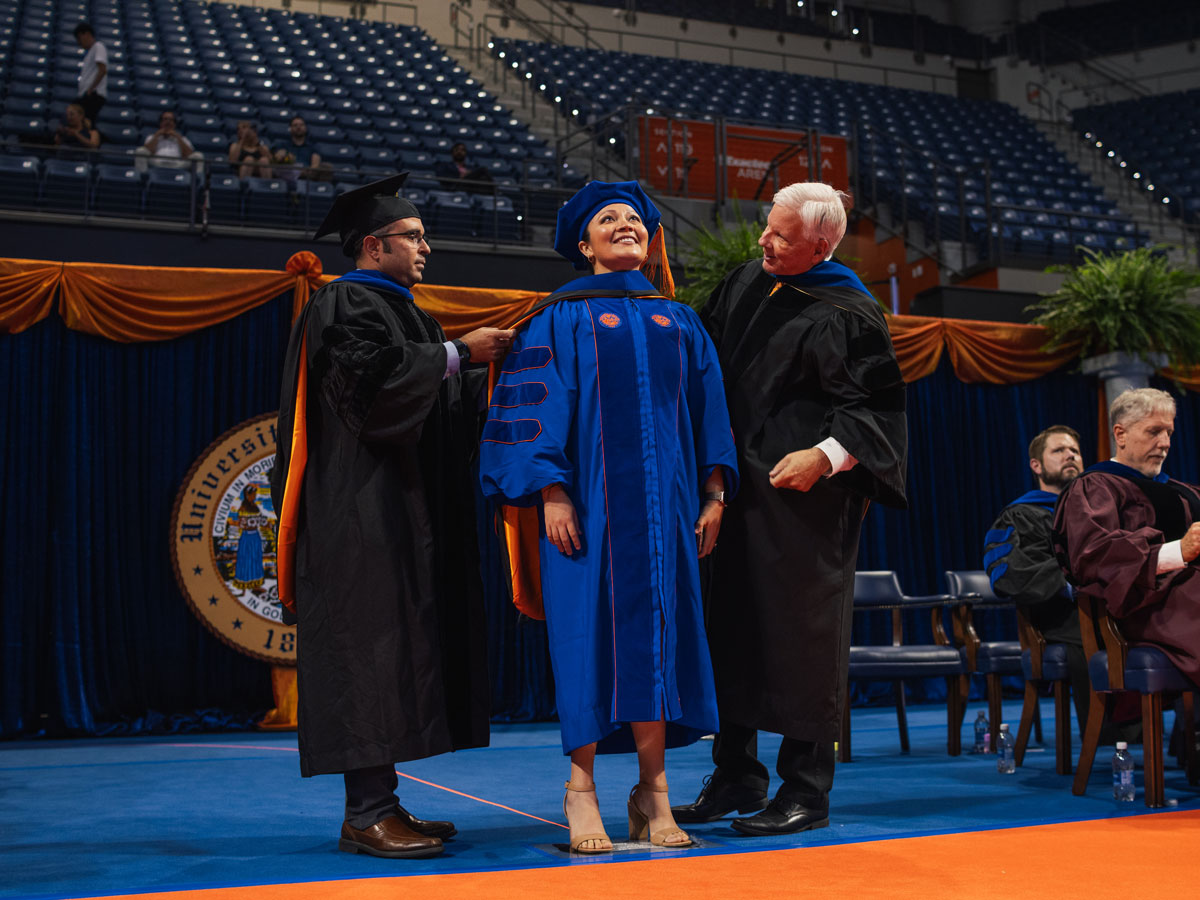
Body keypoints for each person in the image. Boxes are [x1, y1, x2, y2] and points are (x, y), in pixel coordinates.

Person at [479, 180, 739, 853]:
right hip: (586, 512)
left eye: (636, 219)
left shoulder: (679, 322)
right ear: (583, 242)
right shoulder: (557, 320)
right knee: (585, 641)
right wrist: (551, 493)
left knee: (661, 639)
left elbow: (712, 412)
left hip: (668, 515)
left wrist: (715, 494)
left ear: (651, 242)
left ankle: (653, 792)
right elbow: (532, 411)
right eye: (608, 219)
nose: (626, 225)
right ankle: (579, 790)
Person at [269, 174, 513, 859]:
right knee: (367, 652)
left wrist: (482, 377)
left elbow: (434, 406)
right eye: (415, 237)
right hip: (359, 513)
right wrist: (461, 353)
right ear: (374, 245)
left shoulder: (409, 312)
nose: (426, 248)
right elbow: (373, 394)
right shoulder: (344, 302)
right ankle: (367, 812)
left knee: (393, 650)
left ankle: (380, 804)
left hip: (397, 509)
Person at [673, 182, 907, 836]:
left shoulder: (851, 311)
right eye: (766, 227)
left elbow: (876, 411)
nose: (763, 242)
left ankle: (806, 787)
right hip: (738, 492)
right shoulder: (750, 280)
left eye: (781, 236)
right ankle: (737, 774)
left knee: (801, 641)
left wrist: (825, 456)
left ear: (822, 244)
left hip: (805, 505)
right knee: (733, 629)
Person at [1053, 388, 1200, 691]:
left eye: (1169, 433)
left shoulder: (1182, 490)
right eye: (1154, 431)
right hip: (1143, 608)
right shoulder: (1095, 487)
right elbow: (1094, 555)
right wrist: (1178, 551)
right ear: (1120, 434)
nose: (1165, 443)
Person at [983, 426, 1095, 730]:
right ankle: (1116, 730)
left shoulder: (1099, 510)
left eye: (1074, 451)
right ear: (1037, 465)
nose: (1070, 455)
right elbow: (1008, 574)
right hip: (1058, 617)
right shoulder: (1021, 514)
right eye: (1059, 450)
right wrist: (1077, 583)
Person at [134, 110, 203, 173]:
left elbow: (189, 154)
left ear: (174, 124)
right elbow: (148, 151)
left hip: (177, 163)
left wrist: (177, 137)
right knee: (140, 151)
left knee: (198, 156)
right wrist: (157, 135)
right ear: (161, 123)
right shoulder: (152, 137)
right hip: (158, 162)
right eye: (165, 119)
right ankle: (142, 178)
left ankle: (197, 181)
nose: (168, 122)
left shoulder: (183, 139)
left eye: (171, 120)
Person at [272, 116, 330, 183]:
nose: (298, 127)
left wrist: (301, 171)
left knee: (326, 167)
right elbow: (278, 157)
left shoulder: (312, 147)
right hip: (288, 173)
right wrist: (286, 157)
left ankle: (319, 190)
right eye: (295, 125)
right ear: (290, 128)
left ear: (305, 128)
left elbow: (315, 165)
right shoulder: (283, 145)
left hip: (307, 174)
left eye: (301, 125)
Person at [73, 22, 108, 127]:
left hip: (92, 95)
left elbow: (102, 69)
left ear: (87, 34)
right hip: (87, 94)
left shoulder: (98, 46)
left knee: (86, 124)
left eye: (79, 38)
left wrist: (91, 89)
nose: (79, 43)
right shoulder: (90, 53)